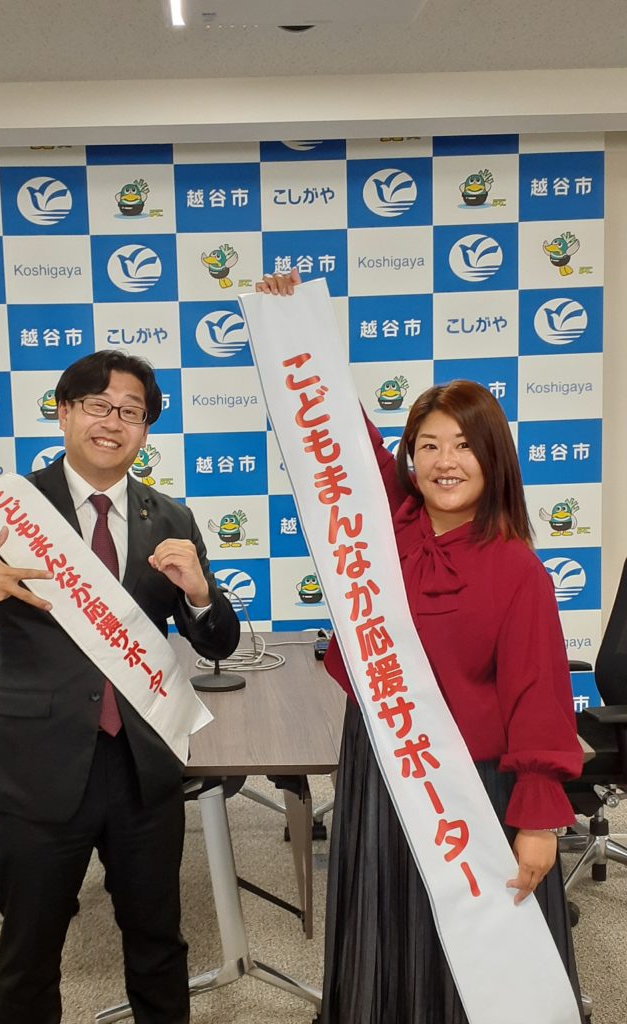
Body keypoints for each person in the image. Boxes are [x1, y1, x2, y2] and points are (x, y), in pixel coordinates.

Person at [0, 350, 240, 1024]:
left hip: (144, 769)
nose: (113, 422)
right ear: (64, 413)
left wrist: (200, 595)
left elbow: (218, 643)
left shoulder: (171, 517)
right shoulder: (11, 510)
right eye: (98, 405)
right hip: (37, 767)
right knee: (29, 953)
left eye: (131, 411)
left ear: (146, 429)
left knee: (159, 943)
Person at [256, 270, 584, 1024]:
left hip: (473, 786)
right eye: (427, 445)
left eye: (463, 446)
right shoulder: (385, 527)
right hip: (383, 766)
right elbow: (339, 443)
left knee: (480, 953)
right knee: (384, 933)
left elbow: (539, 699)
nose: (443, 461)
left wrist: (538, 821)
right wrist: (293, 323)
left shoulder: (518, 570)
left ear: (493, 457)